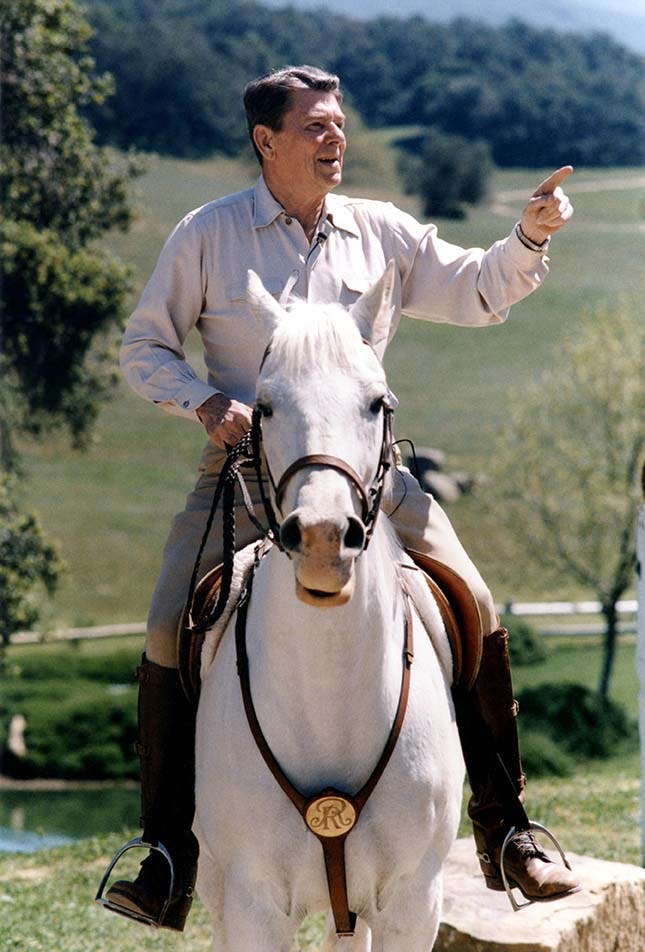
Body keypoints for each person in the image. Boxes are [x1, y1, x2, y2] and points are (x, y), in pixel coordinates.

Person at [103, 65, 578, 931]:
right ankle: (167, 852)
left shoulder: (379, 230)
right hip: (246, 476)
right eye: (316, 126)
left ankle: (508, 831)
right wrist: (205, 403)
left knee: (472, 604)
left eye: (339, 124)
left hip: (372, 476)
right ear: (266, 141)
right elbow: (143, 347)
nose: (336, 139)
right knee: (169, 623)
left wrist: (528, 237)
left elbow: (475, 287)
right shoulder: (208, 235)